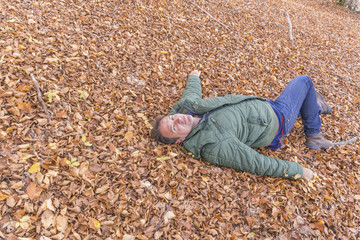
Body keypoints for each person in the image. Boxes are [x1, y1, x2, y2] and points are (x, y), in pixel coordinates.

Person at [151, 70, 334, 180]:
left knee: (305, 96)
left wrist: (193, 77)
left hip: (266, 105)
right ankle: (314, 134)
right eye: (174, 128)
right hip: (278, 120)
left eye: (172, 117)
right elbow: (256, 163)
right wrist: (298, 171)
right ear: (180, 140)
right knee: (304, 81)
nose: (178, 119)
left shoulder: (188, 109)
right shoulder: (213, 145)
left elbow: (190, 93)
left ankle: (314, 106)